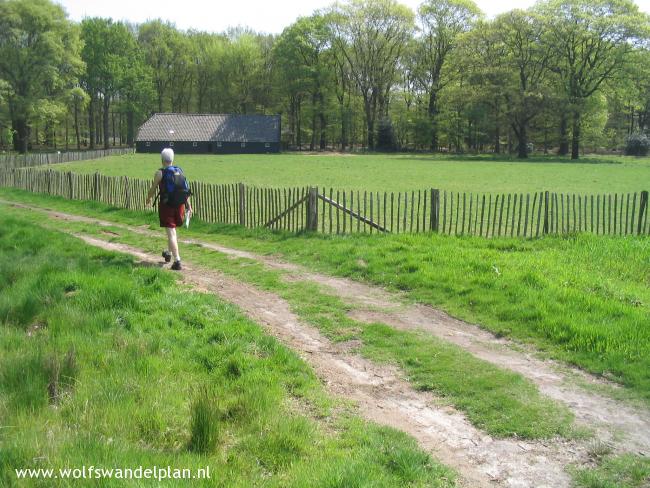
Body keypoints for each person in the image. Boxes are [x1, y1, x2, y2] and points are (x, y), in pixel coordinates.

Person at [145, 148, 191, 271]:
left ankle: (177, 261)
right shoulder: (179, 171)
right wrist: (188, 206)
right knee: (172, 231)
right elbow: (184, 190)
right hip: (180, 205)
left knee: (171, 232)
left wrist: (148, 198)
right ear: (172, 159)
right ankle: (169, 253)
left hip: (167, 206)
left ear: (162, 160)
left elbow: (153, 189)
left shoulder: (160, 173)